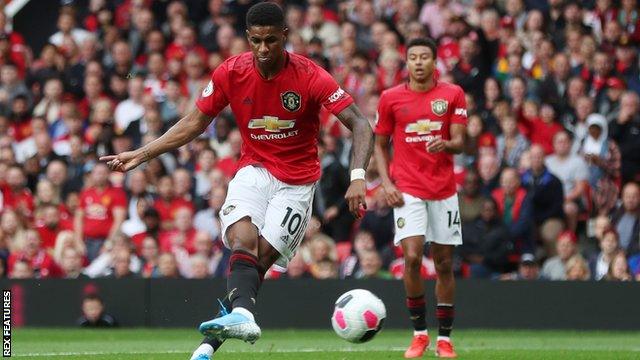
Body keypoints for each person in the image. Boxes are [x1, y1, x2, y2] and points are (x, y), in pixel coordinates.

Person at [100, 3, 373, 360]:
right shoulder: (231, 71)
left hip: (298, 183)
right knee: (241, 239)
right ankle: (238, 320)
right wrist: (145, 152)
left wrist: (357, 178)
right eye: (256, 41)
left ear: (284, 37)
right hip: (254, 169)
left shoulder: (309, 75)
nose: (263, 49)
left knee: (254, 269)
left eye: (271, 41)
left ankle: (209, 345)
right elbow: (195, 122)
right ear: (247, 38)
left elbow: (361, 124)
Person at [374, 37, 466, 359]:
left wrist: (447, 145)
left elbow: (460, 141)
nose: (418, 62)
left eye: (424, 57)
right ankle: (419, 335)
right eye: (412, 57)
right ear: (406, 62)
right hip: (408, 189)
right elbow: (380, 143)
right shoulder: (390, 98)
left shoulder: (452, 94)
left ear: (434, 61)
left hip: (443, 190)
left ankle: (445, 340)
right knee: (411, 258)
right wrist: (386, 183)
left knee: (443, 263)